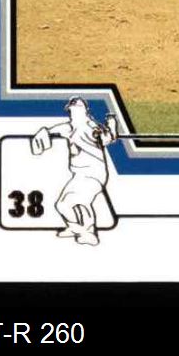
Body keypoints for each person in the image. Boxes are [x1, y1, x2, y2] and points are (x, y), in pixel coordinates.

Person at [48, 97, 116, 246]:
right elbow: (58, 129)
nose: (73, 113)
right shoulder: (71, 127)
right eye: (71, 110)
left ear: (84, 110)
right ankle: (76, 228)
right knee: (61, 205)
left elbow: (106, 138)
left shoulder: (90, 126)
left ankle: (89, 234)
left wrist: (109, 127)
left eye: (76, 109)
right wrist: (45, 132)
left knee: (80, 202)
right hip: (79, 175)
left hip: (93, 174)